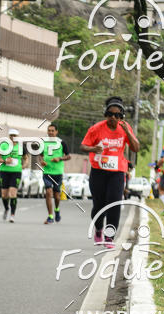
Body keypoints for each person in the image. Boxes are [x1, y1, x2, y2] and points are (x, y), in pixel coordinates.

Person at [80, 97, 140, 248]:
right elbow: (83, 146)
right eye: (110, 114)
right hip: (98, 171)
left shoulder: (125, 128)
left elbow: (136, 148)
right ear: (106, 114)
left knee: (114, 203)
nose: (113, 117)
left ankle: (109, 237)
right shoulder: (96, 128)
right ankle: (98, 228)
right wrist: (93, 149)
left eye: (117, 115)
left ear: (121, 117)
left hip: (117, 172)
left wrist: (128, 132)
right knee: (99, 206)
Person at [40, 122, 71, 224]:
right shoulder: (43, 143)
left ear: (56, 132)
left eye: (52, 131)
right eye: (49, 131)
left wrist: (60, 158)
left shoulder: (62, 143)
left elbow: (68, 156)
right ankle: (50, 216)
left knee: (57, 196)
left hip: (58, 173)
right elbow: (40, 155)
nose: (50, 132)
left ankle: (57, 210)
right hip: (47, 172)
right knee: (48, 192)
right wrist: (42, 161)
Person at [0, 129, 28, 222]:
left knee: (12, 193)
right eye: (11, 135)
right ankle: (6, 208)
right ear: (9, 136)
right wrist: (5, 161)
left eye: (15, 135)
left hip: (16, 172)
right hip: (4, 171)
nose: (13, 137)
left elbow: (26, 158)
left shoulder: (21, 147)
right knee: (4, 194)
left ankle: (12, 215)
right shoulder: (3, 145)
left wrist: (24, 165)